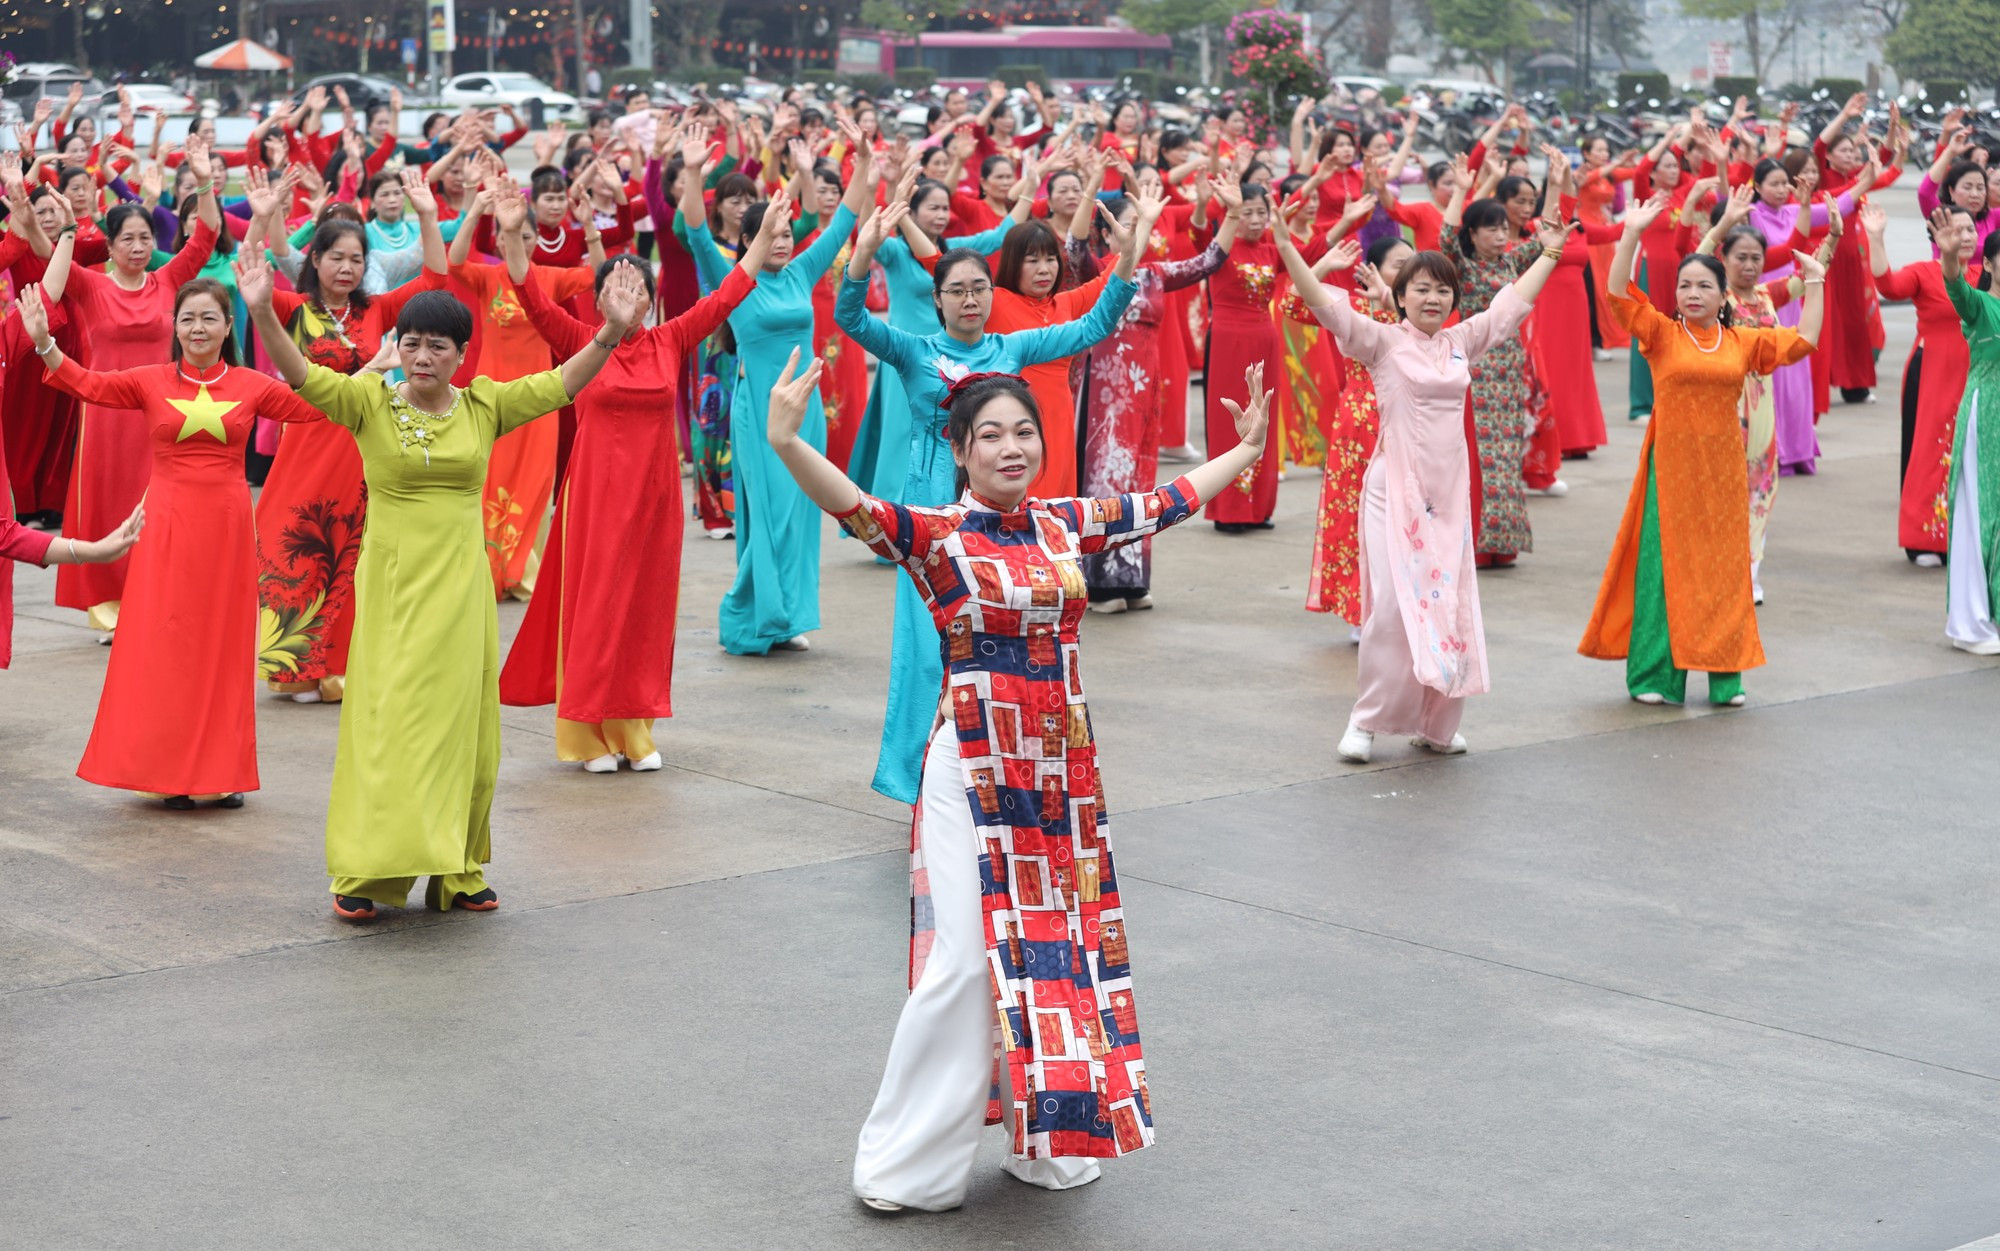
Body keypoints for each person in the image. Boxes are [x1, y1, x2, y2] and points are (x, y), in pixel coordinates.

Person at [761, 343, 1273, 1212]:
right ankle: (903, 1165)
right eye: (990, 435)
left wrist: (1248, 454)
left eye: (1023, 432)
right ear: (960, 451)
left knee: (1055, 957)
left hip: (1059, 778)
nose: (1011, 447)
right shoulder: (938, 537)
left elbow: (1163, 504)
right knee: (966, 961)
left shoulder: (1062, 525)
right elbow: (854, 507)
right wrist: (787, 442)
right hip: (971, 772)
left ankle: (1049, 1139)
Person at [241, 256, 647, 920]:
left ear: (462, 353)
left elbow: (558, 385)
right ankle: (367, 868)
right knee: (389, 725)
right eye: (411, 341)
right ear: (394, 347)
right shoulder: (368, 401)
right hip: (394, 590)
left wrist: (607, 334)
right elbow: (303, 377)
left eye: (437, 344)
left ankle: (457, 867)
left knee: (461, 728)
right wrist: (261, 312)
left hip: (461, 592)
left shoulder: (484, 405)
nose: (421, 354)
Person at [834, 202, 1139, 804]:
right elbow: (850, 317)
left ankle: (993, 772)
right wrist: (862, 255)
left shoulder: (1011, 348)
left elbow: (1093, 325)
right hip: (929, 510)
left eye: (978, 288)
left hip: (996, 511)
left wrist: (1128, 256)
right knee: (928, 648)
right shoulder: (913, 350)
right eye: (957, 291)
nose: (970, 300)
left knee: (995, 641)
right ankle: (921, 777)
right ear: (938, 298)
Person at [21, 275, 326, 807]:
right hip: (165, 527)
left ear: (228, 326)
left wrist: (373, 377)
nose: (197, 328)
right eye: (187, 318)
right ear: (175, 327)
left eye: (209, 318)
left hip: (228, 529)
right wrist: (45, 342)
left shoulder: (253, 384)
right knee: (166, 641)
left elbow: (318, 408)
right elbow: (88, 384)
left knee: (223, 646)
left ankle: (221, 772)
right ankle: (166, 772)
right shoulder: (150, 380)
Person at [495, 198, 776, 769]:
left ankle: (634, 732)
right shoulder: (578, 339)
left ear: (652, 298)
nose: (629, 296)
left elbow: (726, 296)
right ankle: (587, 733)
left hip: (654, 500)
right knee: (597, 606)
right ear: (598, 298)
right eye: (616, 288)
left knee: (645, 612)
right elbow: (528, 295)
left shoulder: (670, 339)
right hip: (596, 499)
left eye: (638, 287)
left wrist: (764, 235)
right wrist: (508, 235)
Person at [1280, 210, 1570, 762]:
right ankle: (1365, 722)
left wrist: (1550, 253)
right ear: (1400, 295)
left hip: (1448, 504)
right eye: (1420, 289)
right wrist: (1283, 245)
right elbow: (1317, 301)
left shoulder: (1463, 341)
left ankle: (1437, 724)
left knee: (1448, 608)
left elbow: (1511, 303)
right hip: (1392, 496)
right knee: (1389, 610)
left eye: (1442, 289)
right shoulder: (1382, 343)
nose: (1432, 298)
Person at [1579, 196, 1825, 704]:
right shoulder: (1662, 334)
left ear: (1722, 296)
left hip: (1721, 471)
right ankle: (1653, 677)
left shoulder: (1741, 342)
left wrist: (1817, 279)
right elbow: (1618, 295)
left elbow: (1803, 340)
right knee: (1662, 571)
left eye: (1703, 286)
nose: (1692, 293)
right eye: (1685, 285)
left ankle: (1725, 677)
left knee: (1722, 570)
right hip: (1668, 470)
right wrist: (1631, 234)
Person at [247, 168, 451, 704]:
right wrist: (263, 218)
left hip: (364, 446)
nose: (346, 267)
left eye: (356, 259)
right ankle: (293, 665)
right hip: (307, 445)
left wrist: (428, 214)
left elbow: (434, 278)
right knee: (296, 552)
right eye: (336, 256)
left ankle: (337, 664)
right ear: (314, 260)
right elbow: (255, 287)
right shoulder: (295, 309)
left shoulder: (376, 311)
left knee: (352, 553)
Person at [683, 121, 876, 655]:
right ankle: (752, 617)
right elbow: (696, 232)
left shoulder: (800, 272)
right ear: (750, 241)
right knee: (765, 512)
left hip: (805, 412)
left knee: (799, 512)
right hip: (759, 413)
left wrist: (861, 157)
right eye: (774, 233)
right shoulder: (735, 281)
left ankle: (787, 616)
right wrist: (695, 172)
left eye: (789, 233)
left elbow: (845, 219)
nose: (785, 240)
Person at [47, 136, 221, 637]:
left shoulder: (168, 281)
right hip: (105, 410)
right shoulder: (92, 284)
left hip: (162, 407)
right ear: (111, 243)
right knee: (108, 499)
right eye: (128, 239)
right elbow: (53, 285)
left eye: (146, 238)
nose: (139, 247)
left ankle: (160, 593)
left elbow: (206, 235)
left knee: (164, 500)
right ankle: (110, 601)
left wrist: (205, 179)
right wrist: (63, 232)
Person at [1072, 192, 1233, 611]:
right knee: (1107, 479)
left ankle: (1132, 579)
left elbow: (1209, 261)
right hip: (1106, 396)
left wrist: (1232, 211)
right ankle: (1102, 582)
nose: (1139, 231)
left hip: (1145, 392)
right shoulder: (1096, 273)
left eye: (1143, 224)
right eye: (1128, 224)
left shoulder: (1155, 275)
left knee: (1141, 481)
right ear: (1106, 235)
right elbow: (1072, 250)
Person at [1300, 232, 1411, 628]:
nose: (1406, 273)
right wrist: (1323, 267)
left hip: (1407, 422)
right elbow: (1296, 304)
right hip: (1359, 424)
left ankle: (1405, 610)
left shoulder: (1415, 308)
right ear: (1373, 271)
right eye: (1398, 265)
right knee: (1356, 519)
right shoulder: (1355, 308)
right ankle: (1360, 611)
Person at [1440, 157, 1543, 563]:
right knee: (1478, 454)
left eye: (1504, 228)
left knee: (1505, 454)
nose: (1502, 236)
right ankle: (1477, 544)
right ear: (1474, 233)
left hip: (1509, 366)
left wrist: (1567, 179)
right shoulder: (1461, 267)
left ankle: (1502, 542)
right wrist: (1463, 190)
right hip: (1475, 367)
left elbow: (1551, 242)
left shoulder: (1512, 261)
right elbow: (1446, 236)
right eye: (1492, 229)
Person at [1866, 201, 1975, 567]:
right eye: (1956, 230)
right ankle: (1923, 539)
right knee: (1930, 452)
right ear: (1936, 236)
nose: (1965, 236)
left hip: (1976, 375)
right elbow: (1888, 285)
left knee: (1971, 454)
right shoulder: (1924, 273)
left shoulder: (1984, 277)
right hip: (1933, 371)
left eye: (1970, 230)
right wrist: (1876, 238)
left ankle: (1965, 536)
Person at [1933, 211, 2000, 655]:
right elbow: (1955, 287)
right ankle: (1974, 621)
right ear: (1990, 264)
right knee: (1984, 513)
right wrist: (1949, 256)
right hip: (1988, 416)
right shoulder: (1980, 305)